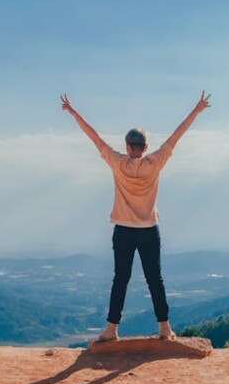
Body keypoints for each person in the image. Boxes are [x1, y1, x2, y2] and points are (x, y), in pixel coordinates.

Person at [61, 91, 211, 342]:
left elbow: (94, 137)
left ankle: (111, 329)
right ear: (146, 148)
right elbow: (177, 136)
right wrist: (196, 110)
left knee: (120, 279)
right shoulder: (155, 162)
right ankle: (165, 328)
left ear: (127, 147)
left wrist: (73, 112)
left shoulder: (117, 162)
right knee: (155, 279)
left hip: (123, 230)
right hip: (150, 229)